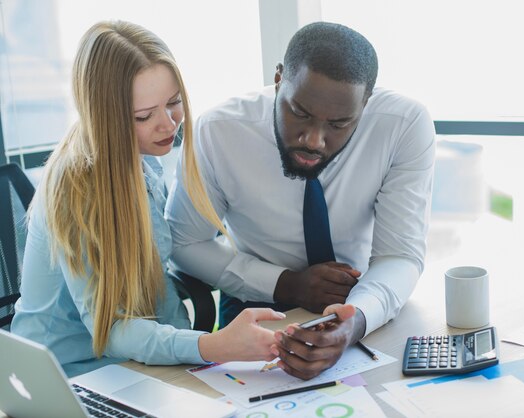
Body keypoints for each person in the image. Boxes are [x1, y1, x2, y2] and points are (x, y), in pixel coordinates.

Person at [11, 20, 284, 377]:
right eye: (144, 116)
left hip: (129, 365)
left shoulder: (142, 162)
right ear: (106, 118)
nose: (169, 125)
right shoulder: (75, 191)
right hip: (66, 377)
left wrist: (201, 357)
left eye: (173, 103)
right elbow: (110, 329)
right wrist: (210, 345)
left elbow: (158, 289)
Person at [166, 21, 435, 380]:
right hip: (257, 303)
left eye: (339, 124)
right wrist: (287, 283)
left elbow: (399, 255)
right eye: (300, 113)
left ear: (365, 103)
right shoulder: (218, 132)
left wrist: (352, 323)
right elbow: (185, 242)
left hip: (365, 298)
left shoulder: (403, 126)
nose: (313, 140)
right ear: (279, 80)